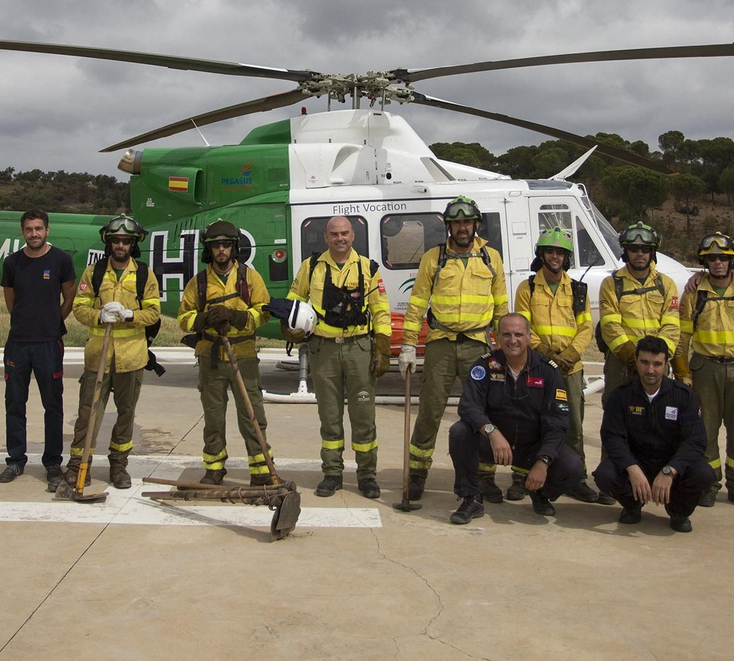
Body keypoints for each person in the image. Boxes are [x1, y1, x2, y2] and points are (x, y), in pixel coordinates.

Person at [399, 196, 509, 504]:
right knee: (430, 411)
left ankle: (485, 476)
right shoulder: (434, 258)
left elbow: (501, 305)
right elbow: (418, 301)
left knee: (485, 411)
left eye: (467, 222)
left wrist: (504, 348)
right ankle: (418, 474)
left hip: (478, 345)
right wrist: (408, 343)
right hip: (441, 344)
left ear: (476, 224)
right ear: (449, 227)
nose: (462, 228)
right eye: (456, 223)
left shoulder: (491, 258)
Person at [446, 314, 586, 524]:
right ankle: (471, 498)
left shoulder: (548, 371)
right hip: (495, 445)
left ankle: (540, 492)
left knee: (573, 467)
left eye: (519, 334)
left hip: (532, 448)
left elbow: (558, 422)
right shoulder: (484, 366)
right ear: (496, 337)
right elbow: (468, 406)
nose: (513, 340)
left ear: (529, 337)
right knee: (459, 432)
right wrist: (491, 432)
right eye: (507, 335)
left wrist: (543, 461)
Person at [288, 215, 391, 499]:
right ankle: (332, 474)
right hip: (324, 349)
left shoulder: (368, 268)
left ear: (353, 236)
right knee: (329, 415)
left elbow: (381, 310)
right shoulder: (311, 267)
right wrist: (292, 327)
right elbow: (294, 300)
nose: (340, 239)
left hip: (359, 348)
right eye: (334, 234)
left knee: (363, 415)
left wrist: (382, 347)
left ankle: (367, 475)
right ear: (326, 237)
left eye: (345, 233)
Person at [675, 231, 734, 509]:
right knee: (706, 431)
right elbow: (683, 338)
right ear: (705, 262)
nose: (718, 263)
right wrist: (682, 371)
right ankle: (709, 484)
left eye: (723, 258)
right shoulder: (694, 293)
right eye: (712, 258)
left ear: (733, 261)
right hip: (706, 369)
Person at [177, 219, 273, 484]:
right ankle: (214, 468)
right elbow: (184, 317)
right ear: (209, 250)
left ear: (234, 248)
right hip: (210, 357)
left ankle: (261, 469)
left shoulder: (249, 277)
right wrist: (204, 320)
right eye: (216, 246)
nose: (221, 250)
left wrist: (237, 317)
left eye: (226, 245)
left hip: (243, 355)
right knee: (213, 417)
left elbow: (263, 312)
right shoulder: (198, 282)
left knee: (252, 414)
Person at [513, 228, 604, 504]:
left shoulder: (577, 289)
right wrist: (546, 353)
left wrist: (571, 354)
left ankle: (576, 479)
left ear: (566, 257)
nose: (555, 257)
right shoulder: (527, 288)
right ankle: (521, 476)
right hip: (538, 366)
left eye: (560, 253)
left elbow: (586, 326)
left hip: (570, 368)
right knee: (531, 422)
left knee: (573, 424)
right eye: (550, 251)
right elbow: (523, 327)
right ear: (541, 254)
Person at [69, 215, 161, 489]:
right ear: (109, 243)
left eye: (126, 241)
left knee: (126, 414)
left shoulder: (144, 274)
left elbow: (154, 312)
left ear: (133, 244)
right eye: (116, 240)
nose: (120, 245)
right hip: (98, 357)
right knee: (88, 413)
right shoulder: (93, 272)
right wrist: (99, 316)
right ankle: (76, 467)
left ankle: (118, 467)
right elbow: (79, 307)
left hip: (132, 358)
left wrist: (131, 314)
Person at [592, 335, 714, 532]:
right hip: (638, 462)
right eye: (645, 362)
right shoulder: (621, 395)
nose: (650, 370)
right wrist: (631, 468)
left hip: (671, 463)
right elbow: (611, 437)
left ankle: (678, 511)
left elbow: (696, 440)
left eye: (657, 364)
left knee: (704, 474)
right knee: (604, 474)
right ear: (637, 361)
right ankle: (632, 505)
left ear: (666, 364)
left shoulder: (684, 396)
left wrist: (670, 470)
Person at [0, 209, 75, 486]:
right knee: (15, 404)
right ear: (23, 232)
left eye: (39, 229)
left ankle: (53, 462)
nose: (34, 234)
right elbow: (11, 302)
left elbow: (69, 297)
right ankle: (16, 461)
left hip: (48, 344)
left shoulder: (61, 260)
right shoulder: (12, 263)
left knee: (53, 404)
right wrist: (24, 323)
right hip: (18, 343)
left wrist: (53, 321)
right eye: (29, 229)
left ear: (47, 231)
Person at [596, 221, 681, 410]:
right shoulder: (611, 284)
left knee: (658, 414)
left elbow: (672, 326)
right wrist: (633, 357)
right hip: (622, 362)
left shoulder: (666, 284)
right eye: (634, 249)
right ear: (626, 251)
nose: (640, 254)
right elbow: (609, 326)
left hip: (657, 363)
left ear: (653, 252)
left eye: (645, 249)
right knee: (616, 412)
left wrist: (656, 359)